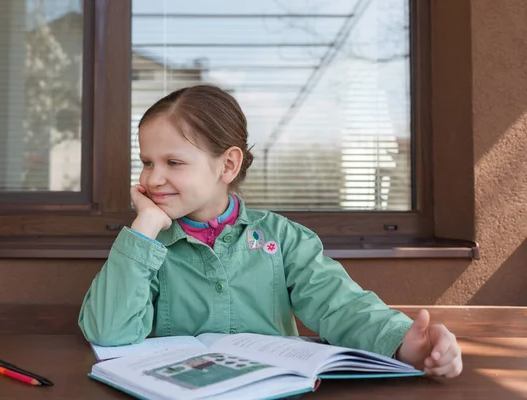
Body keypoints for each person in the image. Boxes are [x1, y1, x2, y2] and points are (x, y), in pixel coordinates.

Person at [78, 85, 462, 378]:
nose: (153, 177)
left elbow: (341, 307)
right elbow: (109, 332)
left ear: (227, 165)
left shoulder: (286, 240)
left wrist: (404, 342)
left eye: (173, 162)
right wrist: (144, 227)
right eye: (147, 161)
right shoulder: (146, 246)